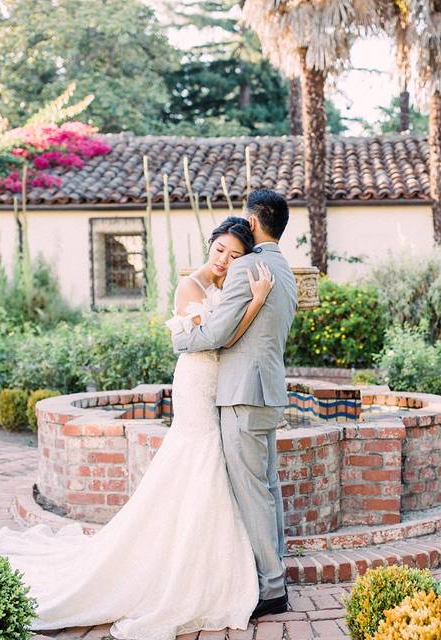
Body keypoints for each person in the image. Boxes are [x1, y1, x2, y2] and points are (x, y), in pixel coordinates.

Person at [0, 215, 274, 640]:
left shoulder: (222, 286)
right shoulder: (190, 285)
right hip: (197, 381)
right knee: (198, 457)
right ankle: (175, 567)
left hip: (219, 381)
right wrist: (256, 301)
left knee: (209, 464)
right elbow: (216, 338)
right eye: (220, 250)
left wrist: (247, 301)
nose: (224, 261)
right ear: (209, 243)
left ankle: (199, 557)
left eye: (235, 256)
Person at [172, 188, 297, 618]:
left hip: (243, 395)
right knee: (268, 486)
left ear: (256, 222)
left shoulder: (248, 267)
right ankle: (277, 570)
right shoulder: (286, 269)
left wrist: (178, 336)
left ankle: (272, 588)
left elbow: (216, 334)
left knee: (253, 492)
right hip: (268, 394)